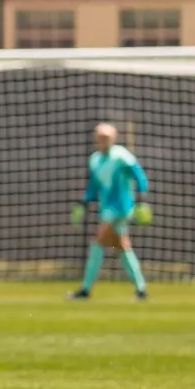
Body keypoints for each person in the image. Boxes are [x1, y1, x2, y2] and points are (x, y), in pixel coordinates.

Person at [69, 122, 151, 300]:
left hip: (121, 208)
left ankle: (85, 290)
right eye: (100, 137)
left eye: (106, 137)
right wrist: (84, 201)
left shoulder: (121, 156)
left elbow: (139, 176)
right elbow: (94, 186)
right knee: (123, 248)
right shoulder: (95, 159)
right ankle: (141, 290)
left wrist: (142, 200)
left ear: (113, 139)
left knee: (98, 243)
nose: (103, 140)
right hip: (106, 208)